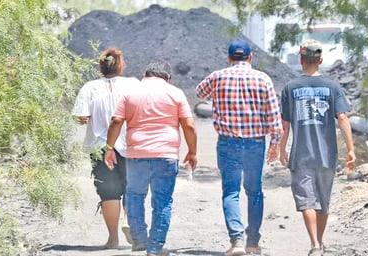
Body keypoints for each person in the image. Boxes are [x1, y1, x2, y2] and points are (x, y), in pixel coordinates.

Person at [196, 38, 283, 256]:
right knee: (254, 191)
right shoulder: (263, 79)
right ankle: (252, 242)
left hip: (228, 142)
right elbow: (274, 117)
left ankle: (237, 242)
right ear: (250, 57)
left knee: (231, 192)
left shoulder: (218, 76)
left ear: (228, 58)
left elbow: (200, 93)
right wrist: (275, 145)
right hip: (255, 144)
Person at [104, 59, 197, 256]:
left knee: (135, 196)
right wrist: (192, 152)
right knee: (162, 201)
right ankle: (154, 247)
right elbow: (189, 125)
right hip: (166, 155)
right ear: (168, 78)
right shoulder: (175, 93)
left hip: (137, 154)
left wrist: (109, 148)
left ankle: (139, 240)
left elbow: (116, 121)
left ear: (145, 75)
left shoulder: (130, 93)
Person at [279, 39, 356, 256]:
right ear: (320, 60)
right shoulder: (332, 87)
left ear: (301, 61)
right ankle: (319, 243)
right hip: (326, 155)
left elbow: (284, 123)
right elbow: (342, 117)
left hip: (301, 156)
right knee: (323, 203)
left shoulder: (290, 88)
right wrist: (350, 149)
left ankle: (314, 244)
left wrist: (281, 148)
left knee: (307, 202)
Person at [71, 47, 139, 249]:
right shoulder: (133, 84)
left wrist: (90, 118)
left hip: (100, 146)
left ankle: (113, 239)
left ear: (100, 67)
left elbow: (80, 117)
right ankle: (128, 221)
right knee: (131, 187)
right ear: (121, 65)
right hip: (129, 144)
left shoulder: (90, 87)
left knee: (109, 192)